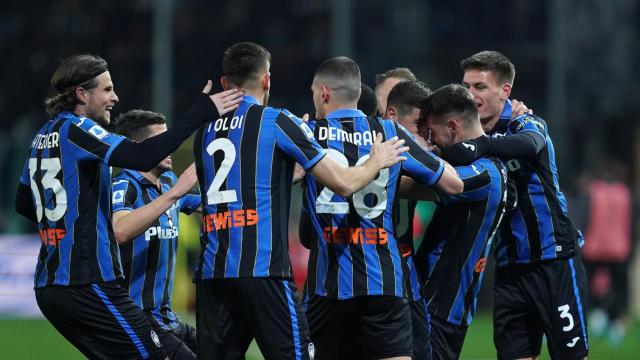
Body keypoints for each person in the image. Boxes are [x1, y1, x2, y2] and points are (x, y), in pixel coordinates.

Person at [14, 54, 242, 359]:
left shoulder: (41, 137)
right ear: (82, 94)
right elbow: (142, 157)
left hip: (51, 284)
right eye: (107, 90)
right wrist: (200, 112)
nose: (115, 97)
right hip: (87, 282)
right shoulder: (78, 129)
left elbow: (23, 202)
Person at [193, 42, 408, 360]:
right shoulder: (278, 122)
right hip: (263, 270)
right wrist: (378, 160)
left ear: (225, 83)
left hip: (213, 273)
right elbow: (344, 183)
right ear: (266, 80)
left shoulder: (204, 131)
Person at [302, 56, 463, 360]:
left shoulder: (307, 133)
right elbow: (453, 184)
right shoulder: (390, 133)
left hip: (328, 285)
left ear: (324, 93)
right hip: (384, 282)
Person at [441, 50, 589, 360]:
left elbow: (531, 144)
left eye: (479, 87)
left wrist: (479, 145)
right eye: (466, 86)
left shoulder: (526, 123)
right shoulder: (470, 134)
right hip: (509, 269)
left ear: (504, 91)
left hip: (554, 261)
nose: (470, 94)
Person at [412, 84, 508, 359]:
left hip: (442, 306)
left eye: (432, 133)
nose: (430, 141)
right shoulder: (485, 164)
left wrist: (401, 143)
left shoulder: (484, 174)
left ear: (453, 127)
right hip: (444, 304)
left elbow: (442, 182)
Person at [111, 110, 203, 358]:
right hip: (137, 317)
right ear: (139, 147)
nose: (170, 146)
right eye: (162, 140)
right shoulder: (125, 185)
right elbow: (120, 230)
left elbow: (216, 202)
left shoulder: (170, 182)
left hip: (166, 317)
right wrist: (174, 195)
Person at [383, 79, 433, 360]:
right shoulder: (370, 149)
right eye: (418, 126)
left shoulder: (420, 152)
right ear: (391, 115)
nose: (424, 136)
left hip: (408, 278)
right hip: (373, 276)